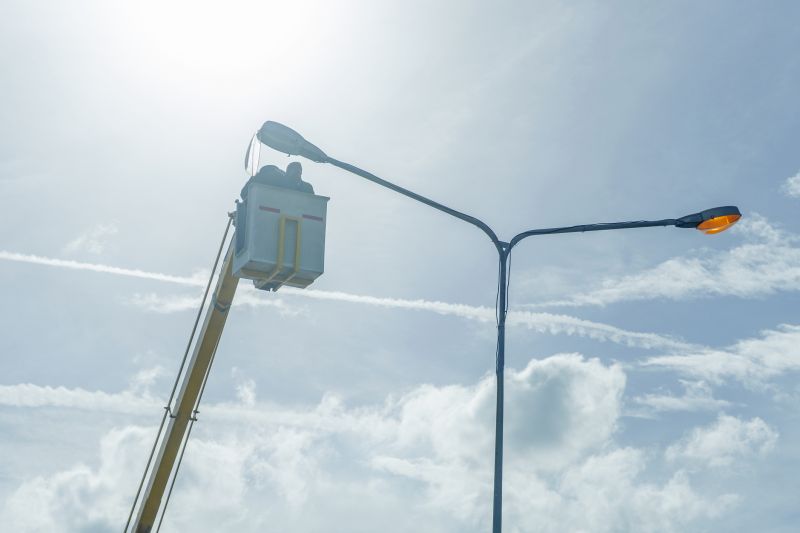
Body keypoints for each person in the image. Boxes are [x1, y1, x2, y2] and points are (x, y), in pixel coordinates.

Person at [240, 162, 314, 200]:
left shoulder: (307, 187)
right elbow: (244, 193)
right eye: (293, 171)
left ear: (301, 173)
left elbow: (315, 205)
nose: (296, 173)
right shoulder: (275, 178)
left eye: (298, 171)